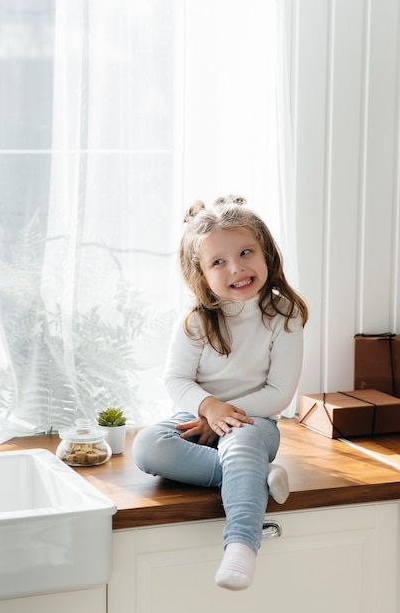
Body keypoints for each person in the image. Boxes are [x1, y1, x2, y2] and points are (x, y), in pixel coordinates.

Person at [132, 195, 308, 591]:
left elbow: (278, 394)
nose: (237, 267)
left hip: (255, 422)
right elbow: (175, 380)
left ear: (267, 254)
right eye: (219, 262)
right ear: (201, 273)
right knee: (148, 446)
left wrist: (224, 417)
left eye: (246, 252)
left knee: (241, 443)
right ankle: (257, 479)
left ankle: (243, 546)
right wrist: (209, 408)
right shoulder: (196, 321)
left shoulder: (286, 316)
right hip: (199, 417)